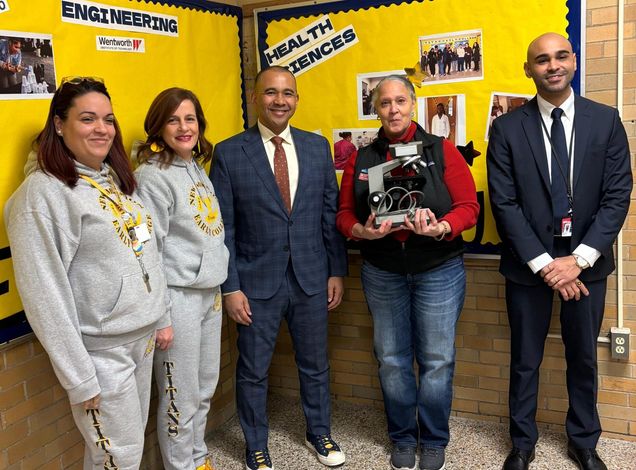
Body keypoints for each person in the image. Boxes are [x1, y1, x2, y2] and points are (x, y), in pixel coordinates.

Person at [4, 77, 171, 469]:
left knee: (115, 453)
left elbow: (147, 253)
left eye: (108, 119)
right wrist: (79, 376)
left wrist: (160, 314)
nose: (103, 129)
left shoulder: (116, 180)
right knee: (117, 455)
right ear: (59, 125)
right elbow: (45, 294)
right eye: (88, 118)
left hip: (140, 339)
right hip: (100, 353)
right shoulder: (42, 195)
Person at [487, 33, 632, 470]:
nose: (552, 65)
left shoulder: (605, 120)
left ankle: (584, 441)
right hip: (529, 263)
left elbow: (617, 196)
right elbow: (504, 201)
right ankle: (522, 442)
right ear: (527, 68)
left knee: (584, 357)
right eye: (541, 59)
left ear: (573, 61)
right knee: (525, 359)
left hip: (586, 262)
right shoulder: (507, 127)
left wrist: (579, 260)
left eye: (560, 56)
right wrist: (546, 264)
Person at [337, 75, 479, 470]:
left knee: (436, 358)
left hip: (438, 267)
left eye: (401, 101)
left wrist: (442, 227)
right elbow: (344, 214)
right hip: (382, 270)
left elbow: (469, 207)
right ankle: (402, 435)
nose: (393, 109)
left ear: (413, 105)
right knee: (392, 358)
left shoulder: (441, 149)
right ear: (375, 109)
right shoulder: (361, 158)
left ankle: (433, 439)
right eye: (385, 103)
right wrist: (359, 231)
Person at [211, 65, 348, 470]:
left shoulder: (316, 146)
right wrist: (230, 286)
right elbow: (225, 228)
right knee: (252, 370)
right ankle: (256, 444)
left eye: (288, 93)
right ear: (255, 98)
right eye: (270, 93)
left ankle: (319, 432)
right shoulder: (230, 151)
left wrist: (336, 271)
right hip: (255, 284)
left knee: (315, 364)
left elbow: (328, 214)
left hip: (311, 277)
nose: (279, 101)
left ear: (297, 99)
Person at [135, 88, 228, 470]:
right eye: (173, 120)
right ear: (159, 127)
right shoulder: (152, 177)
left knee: (204, 388)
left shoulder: (195, 169)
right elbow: (147, 250)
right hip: (179, 299)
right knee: (179, 396)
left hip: (210, 293)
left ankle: (197, 457)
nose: (184, 127)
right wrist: (162, 316)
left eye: (190, 119)